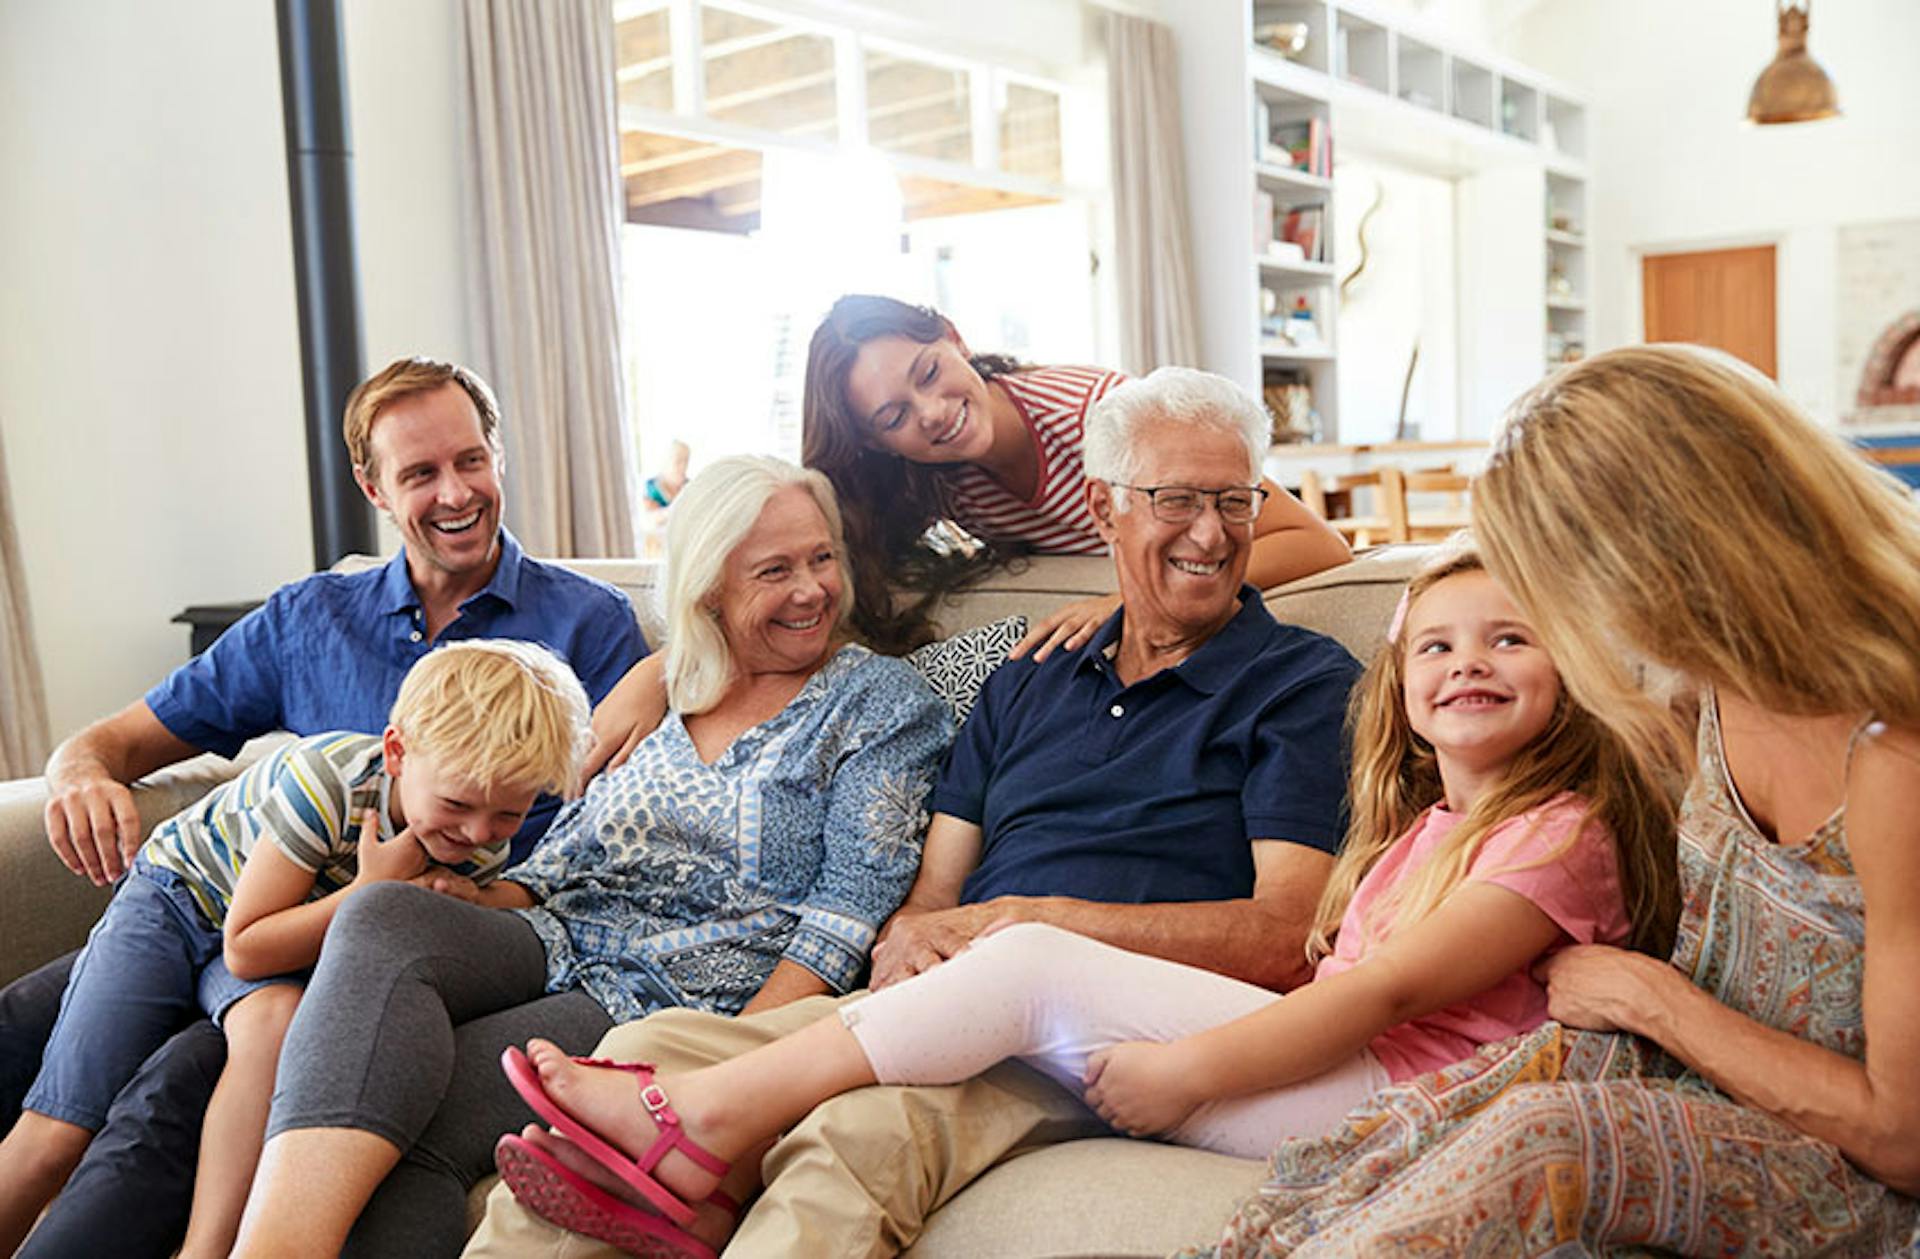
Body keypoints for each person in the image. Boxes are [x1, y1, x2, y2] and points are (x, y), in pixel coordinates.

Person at [486, 544, 1679, 1258]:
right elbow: (919, 804)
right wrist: (664, 665)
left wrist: (1191, 1067)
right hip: (1028, 999)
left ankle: (700, 1125)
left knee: (1020, 972)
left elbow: (1366, 987)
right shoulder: (1035, 667)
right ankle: (688, 1119)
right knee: (644, 1042)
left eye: (1510, 638)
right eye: (1436, 647)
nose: (1466, 662)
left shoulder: (1537, 822)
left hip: (1381, 1092)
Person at [463, 366, 1365, 1259]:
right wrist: (911, 943)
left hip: (1097, 1032)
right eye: (1175, 499)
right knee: (643, 1050)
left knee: (858, 1132)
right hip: (958, 996)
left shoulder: (1301, 683)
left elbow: (1284, 934)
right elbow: (934, 890)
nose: (1210, 531)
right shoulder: (1033, 677)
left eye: (1234, 500)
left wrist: (1031, 924)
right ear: (1104, 508)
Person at [1205, 345, 1920, 1255]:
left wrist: (1652, 999)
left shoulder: (1893, 756)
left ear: (1669, 556)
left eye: (1559, 583)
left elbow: (1904, 1139)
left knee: (1541, 1137)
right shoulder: (1702, 692)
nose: (1573, 620)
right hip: (1690, 1080)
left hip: (1849, 1169)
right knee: (1422, 1117)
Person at [226, 457, 953, 1258]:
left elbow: (848, 908)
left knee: (422, 1120)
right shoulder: (673, 684)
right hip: (556, 932)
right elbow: (566, 851)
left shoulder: (879, 703)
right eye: (775, 570)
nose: (812, 589)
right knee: (381, 910)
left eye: (822, 558)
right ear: (709, 585)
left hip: (670, 985)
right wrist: (478, 901)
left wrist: (735, 1066)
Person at [0, 356, 645, 1259]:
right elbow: (117, 742)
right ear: (373, 485)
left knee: (180, 1075)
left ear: (499, 455)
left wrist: (666, 670)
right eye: (420, 472)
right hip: (219, 900)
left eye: (470, 460)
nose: (455, 492)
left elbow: (616, 838)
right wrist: (80, 772)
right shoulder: (311, 617)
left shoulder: (590, 627)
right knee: (24, 1022)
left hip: (339, 967)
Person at [577, 297, 1353, 779]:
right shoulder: (931, 474)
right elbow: (781, 577)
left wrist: (1119, 598)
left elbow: (1315, 542)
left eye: (927, 370)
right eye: (894, 418)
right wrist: (667, 669)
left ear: (952, 335)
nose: (932, 411)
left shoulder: (1094, 413)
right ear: (882, 446)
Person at [0, 640, 591, 1258]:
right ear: (396, 753)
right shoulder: (326, 781)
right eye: (457, 805)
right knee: (61, 1129)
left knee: (274, 1023)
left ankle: (208, 1249)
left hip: (282, 937)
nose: (478, 832)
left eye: (508, 815)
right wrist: (372, 891)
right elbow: (247, 947)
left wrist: (469, 897)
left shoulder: (478, 843)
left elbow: (477, 894)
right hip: (183, 901)